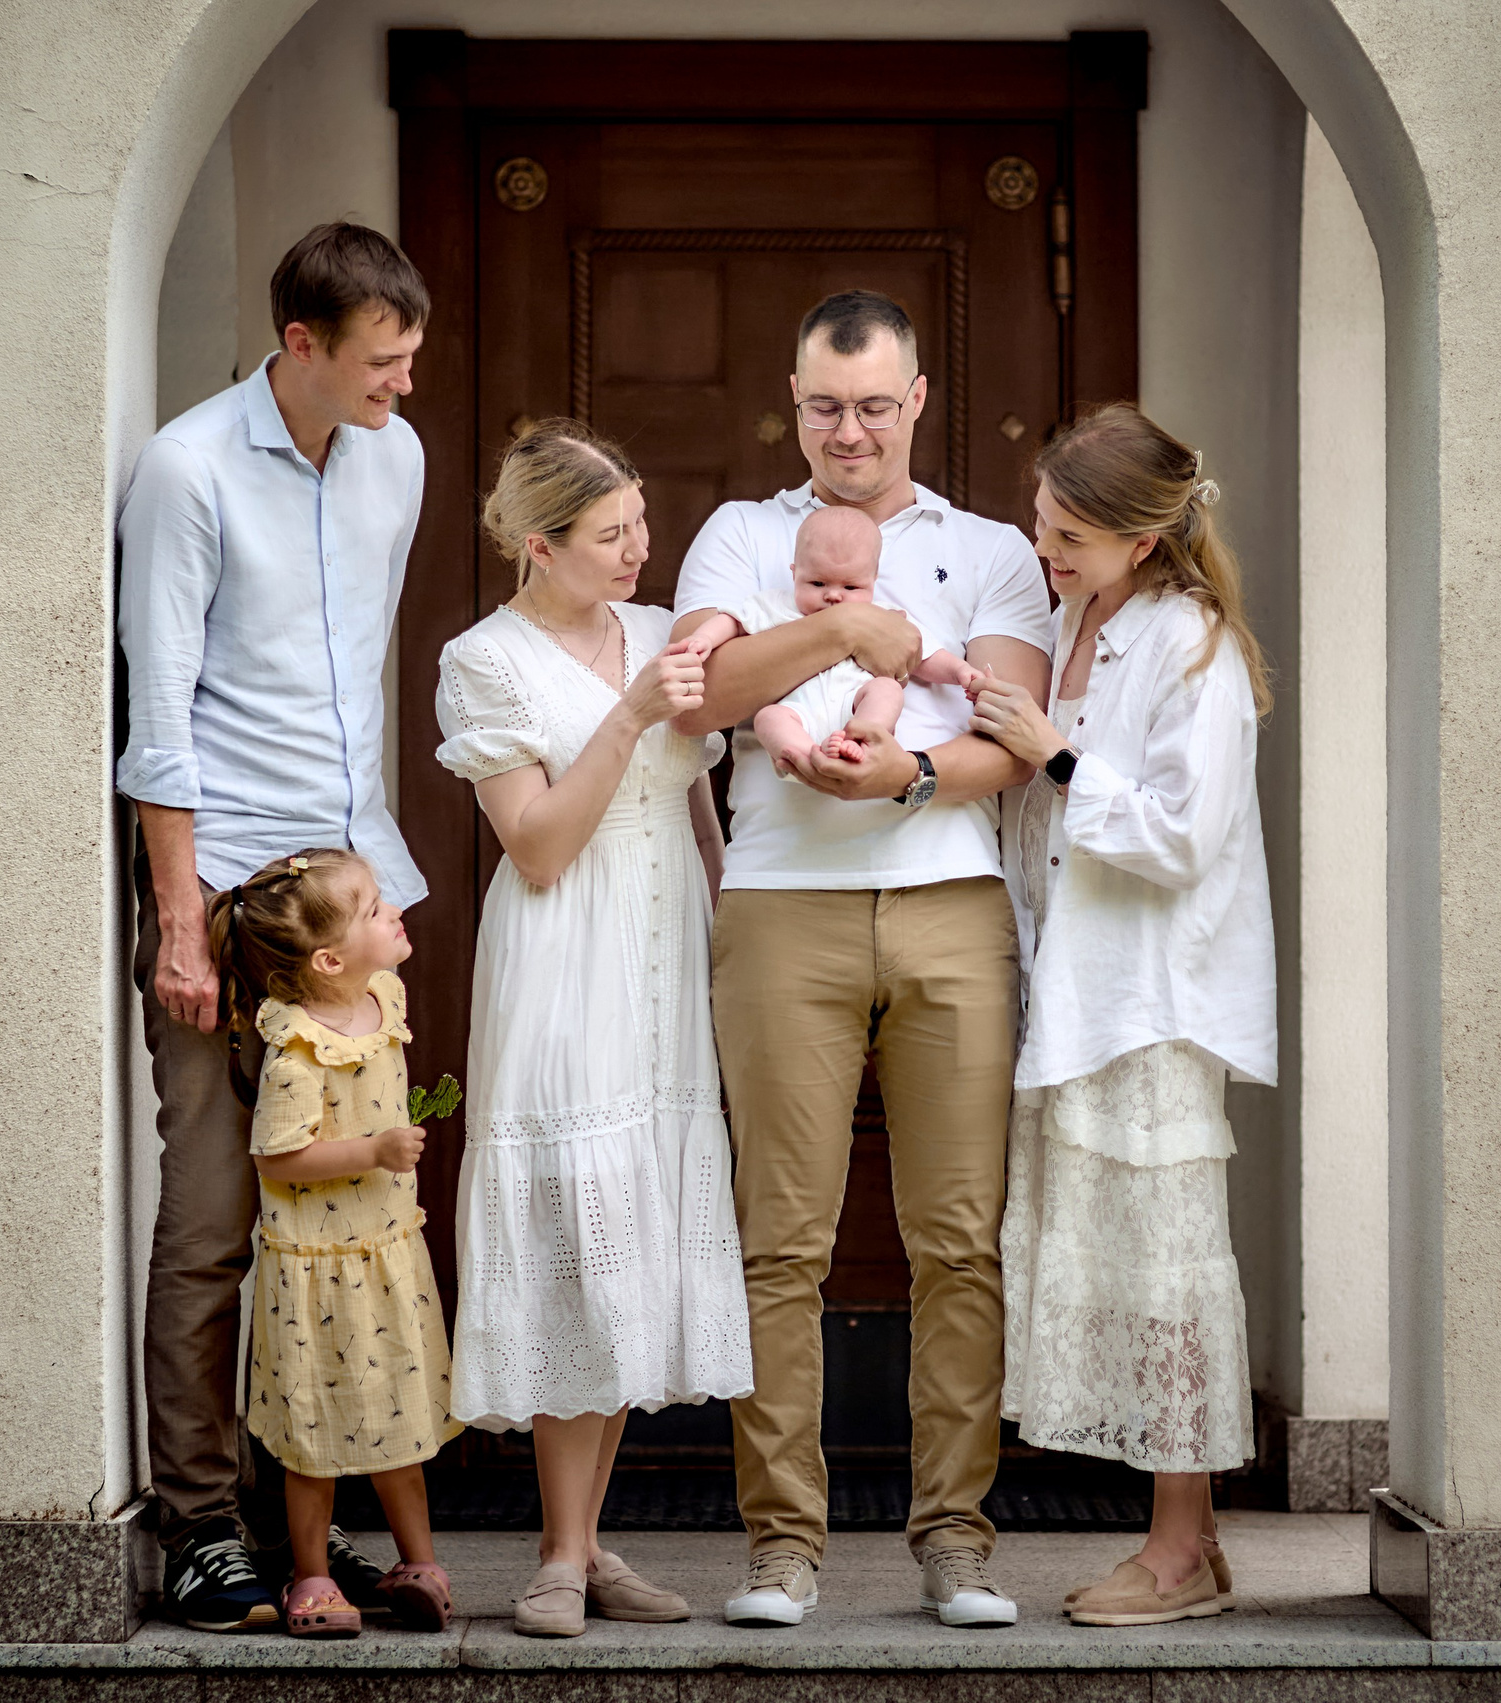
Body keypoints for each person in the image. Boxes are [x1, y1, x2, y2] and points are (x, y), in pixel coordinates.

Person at [666, 290, 1054, 1630]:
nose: (850, 430)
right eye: (827, 406)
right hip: (781, 906)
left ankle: (957, 1538)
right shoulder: (742, 533)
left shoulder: (995, 546)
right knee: (782, 1241)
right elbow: (704, 694)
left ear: (919, 399)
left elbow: (1013, 731)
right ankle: (782, 1547)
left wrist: (906, 775)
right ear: (793, 398)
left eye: (875, 405)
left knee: (958, 1239)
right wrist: (842, 629)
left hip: (950, 897)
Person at [117, 220, 429, 1630]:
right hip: (232, 900)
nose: (402, 387)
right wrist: (180, 923)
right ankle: (200, 1526)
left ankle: (308, 1531)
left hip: (352, 904)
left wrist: (380, 897)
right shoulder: (187, 470)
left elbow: (358, 682)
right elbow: (159, 709)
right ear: (300, 343)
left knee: (354, 1228)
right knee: (215, 1225)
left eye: (412, 358)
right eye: (382, 359)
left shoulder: (397, 463)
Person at [435, 419, 754, 1639]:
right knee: (579, 1215)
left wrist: (726, 928)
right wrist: (626, 710)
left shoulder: (668, 624)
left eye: (640, 525)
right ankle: (559, 1557)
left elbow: (696, 797)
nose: (638, 548)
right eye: (612, 533)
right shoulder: (486, 661)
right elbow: (538, 844)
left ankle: (582, 1541)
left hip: (664, 941)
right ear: (539, 545)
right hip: (564, 947)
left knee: (639, 1227)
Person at [966, 404, 1275, 1627]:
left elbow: (1181, 835)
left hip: (1151, 1002)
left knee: (1167, 1274)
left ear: (1143, 540)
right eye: (1043, 527)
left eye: (1071, 537)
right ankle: (1172, 1537)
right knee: (1113, 1266)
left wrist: (1052, 755)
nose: (1047, 551)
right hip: (1073, 993)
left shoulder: (1190, 642)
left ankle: (1182, 1546)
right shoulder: (1071, 618)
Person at [208, 848, 461, 1639]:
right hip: (315, 1272)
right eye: (375, 909)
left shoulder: (384, 997)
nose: (394, 914)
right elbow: (279, 1158)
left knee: (398, 1415)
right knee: (313, 1431)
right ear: (328, 959)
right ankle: (312, 1572)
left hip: (385, 1253)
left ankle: (416, 1561)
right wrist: (373, 1151)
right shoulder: (296, 1051)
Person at [681, 505, 983, 778]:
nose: (834, 595)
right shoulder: (775, 606)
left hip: (855, 702)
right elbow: (733, 619)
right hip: (798, 709)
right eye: (818, 583)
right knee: (769, 719)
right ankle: (804, 757)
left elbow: (925, 654)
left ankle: (865, 737)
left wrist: (959, 672)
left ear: (874, 580)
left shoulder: (884, 617)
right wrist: (704, 637)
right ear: (795, 573)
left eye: (851, 586)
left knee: (886, 690)